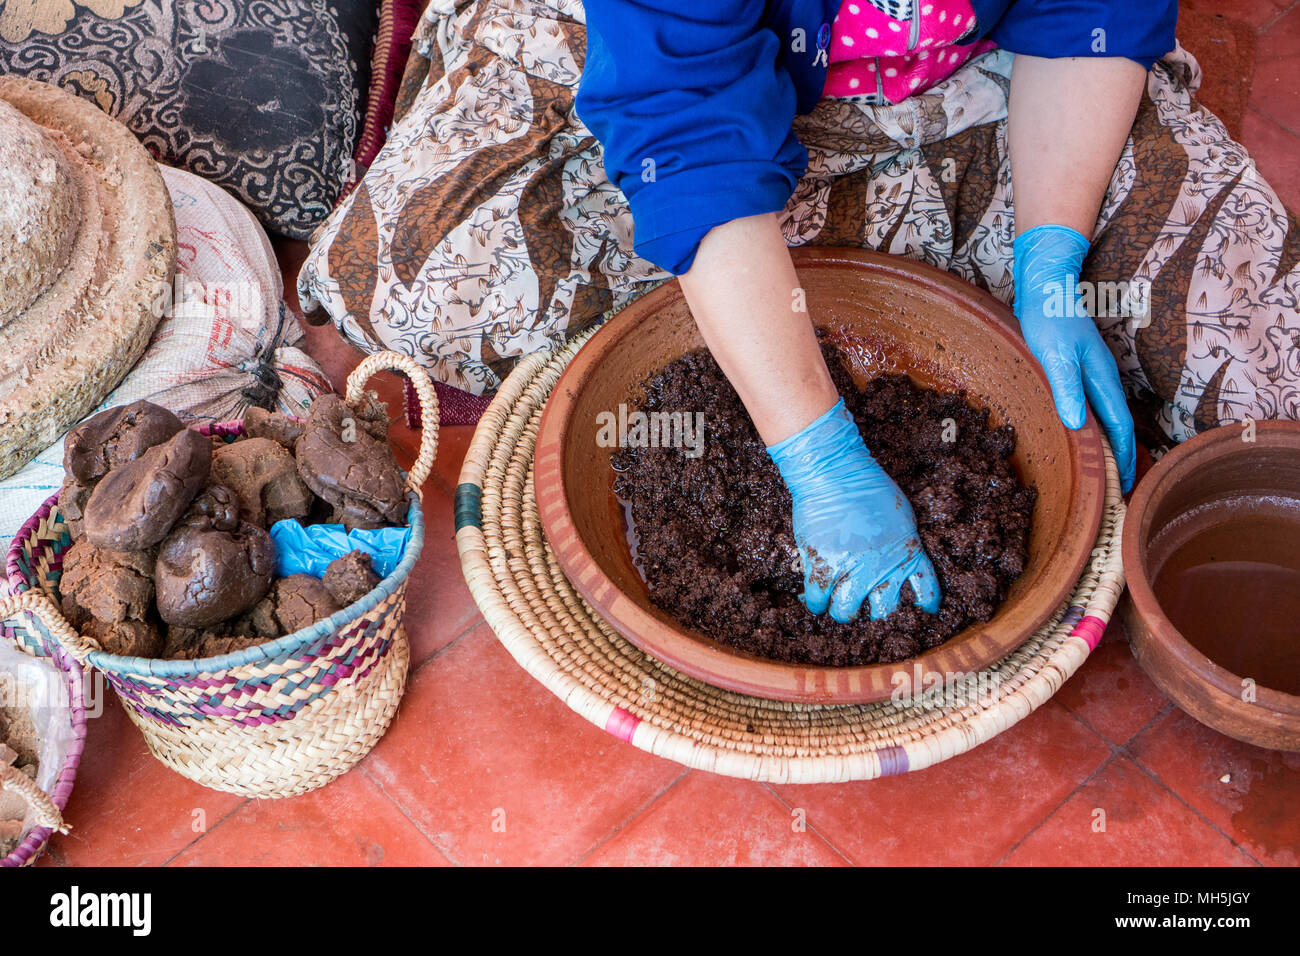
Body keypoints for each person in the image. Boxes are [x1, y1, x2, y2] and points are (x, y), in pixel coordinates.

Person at [299, 0, 1299, 622]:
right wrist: (818, 455)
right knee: (421, 276)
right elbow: (685, 128)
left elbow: (1090, 12)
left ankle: (867, 252)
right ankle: (813, 268)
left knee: (1259, 345)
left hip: (968, 78)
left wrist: (1051, 249)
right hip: (673, 54)